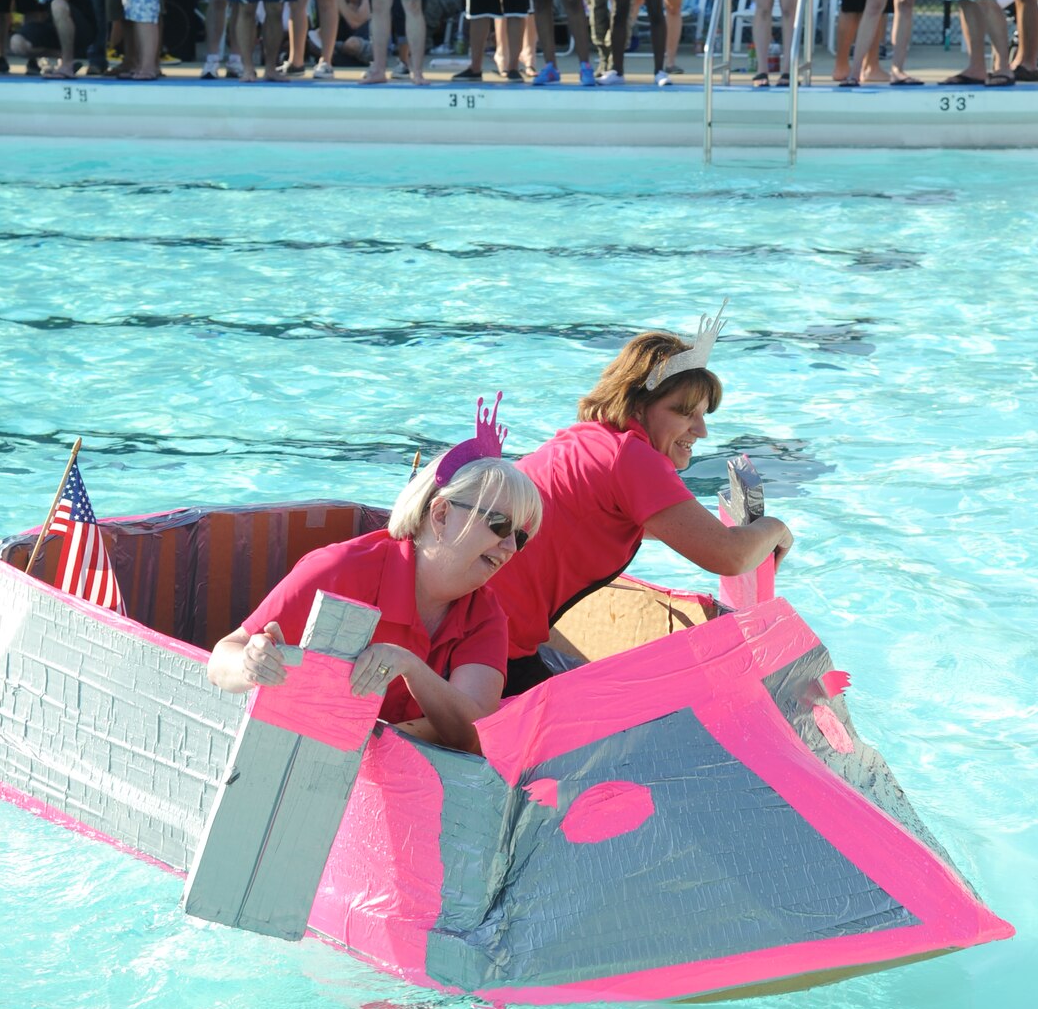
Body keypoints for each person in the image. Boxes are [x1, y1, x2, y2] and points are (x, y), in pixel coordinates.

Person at [208, 401, 542, 753]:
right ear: (441, 515)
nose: (509, 546)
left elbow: (473, 735)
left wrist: (409, 666)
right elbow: (222, 658)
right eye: (499, 524)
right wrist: (250, 665)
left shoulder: (485, 615)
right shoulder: (340, 570)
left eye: (519, 536)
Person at [489, 319, 793, 696]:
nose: (701, 431)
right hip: (485, 641)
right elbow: (728, 556)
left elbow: (626, 523)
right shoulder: (630, 457)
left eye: (702, 414)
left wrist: (725, 535)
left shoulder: (591, 440)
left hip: (470, 619)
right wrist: (775, 528)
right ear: (637, 404)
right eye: (684, 412)